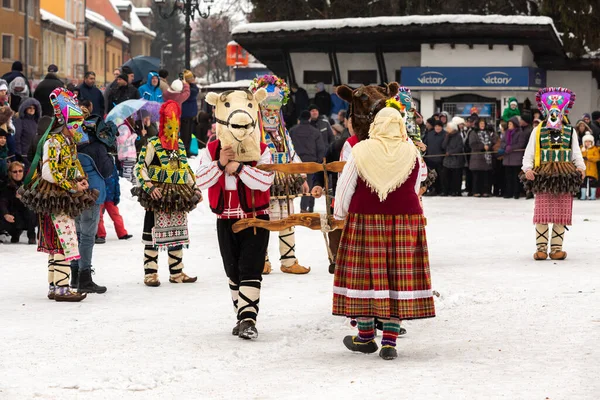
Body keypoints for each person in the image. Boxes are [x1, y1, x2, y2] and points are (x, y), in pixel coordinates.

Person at [333, 107, 435, 361]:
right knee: (397, 277)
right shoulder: (412, 151)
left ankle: (366, 336)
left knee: (364, 275)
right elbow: (416, 183)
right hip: (405, 220)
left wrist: (339, 214)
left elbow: (345, 186)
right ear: (399, 126)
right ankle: (389, 341)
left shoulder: (361, 151)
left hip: (365, 219)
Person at [196, 87, 275, 339]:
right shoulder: (211, 149)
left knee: (250, 267)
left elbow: (265, 180)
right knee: (232, 271)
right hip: (225, 218)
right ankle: (242, 316)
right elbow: (201, 179)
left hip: (255, 216)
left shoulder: (261, 148)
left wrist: (238, 168)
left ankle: (248, 319)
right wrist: (220, 163)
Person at [18, 88, 97, 302]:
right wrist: (71, 187)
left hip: (62, 194)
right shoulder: (53, 142)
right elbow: (48, 172)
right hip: (55, 196)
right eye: (76, 122)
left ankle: (55, 287)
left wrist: (80, 177)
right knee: (63, 240)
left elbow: (73, 163)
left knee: (58, 242)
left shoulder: (68, 142)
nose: (79, 127)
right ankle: (61, 288)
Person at [133, 100, 200, 286]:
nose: (173, 129)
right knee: (152, 233)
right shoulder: (152, 144)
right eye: (169, 124)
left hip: (177, 195)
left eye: (175, 124)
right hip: (158, 196)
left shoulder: (178, 145)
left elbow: (185, 169)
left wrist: (195, 187)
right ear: (162, 123)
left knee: (177, 232)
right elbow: (140, 168)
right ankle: (150, 273)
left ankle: (176, 272)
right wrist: (149, 186)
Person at [249, 75, 310, 275]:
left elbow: (291, 152)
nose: (272, 114)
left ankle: (289, 259)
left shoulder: (283, 132)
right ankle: (261, 259)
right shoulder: (254, 131)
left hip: (284, 180)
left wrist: (301, 175)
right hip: (264, 179)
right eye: (268, 110)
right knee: (264, 220)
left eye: (276, 110)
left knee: (288, 219)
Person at [522, 87, 585, 261]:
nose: (555, 113)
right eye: (552, 110)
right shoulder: (538, 130)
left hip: (564, 174)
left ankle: (557, 248)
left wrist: (580, 167)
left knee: (562, 211)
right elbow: (529, 151)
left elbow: (575, 152)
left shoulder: (570, 131)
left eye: (558, 110)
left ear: (563, 111)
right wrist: (527, 168)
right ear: (546, 111)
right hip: (544, 174)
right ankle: (541, 248)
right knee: (542, 211)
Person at [70, 109, 116, 294]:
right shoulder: (97, 147)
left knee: (78, 234)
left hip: (75, 194)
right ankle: (85, 277)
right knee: (88, 236)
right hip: (92, 195)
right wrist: (110, 154)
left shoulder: (72, 145)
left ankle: (74, 275)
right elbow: (107, 172)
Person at [289, 110, 326, 213]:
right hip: (311, 162)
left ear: (299, 119)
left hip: (297, 162)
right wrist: (319, 163)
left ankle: (300, 208)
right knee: (311, 184)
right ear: (309, 118)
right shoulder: (315, 131)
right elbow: (321, 148)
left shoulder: (292, 131)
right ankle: (309, 208)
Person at [0, 161, 36, 243]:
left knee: (29, 209)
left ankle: (32, 236)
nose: (18, 173)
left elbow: (34, 202)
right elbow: (3, 201)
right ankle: (15, 233)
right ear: (10, 173)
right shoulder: (5, 185)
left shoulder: (29, 184)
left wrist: (22, 198)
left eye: (20, 171)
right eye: (15, 171)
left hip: (29, 217)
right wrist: (5, 214)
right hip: (12, 216)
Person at [96, 163, 132, 243]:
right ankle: (121, 234)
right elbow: (116, 181)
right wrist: (117, 195)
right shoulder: (111, 165)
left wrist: (117, 195)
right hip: (107, 195)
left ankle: (101, 235)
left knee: (100, 216)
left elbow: (116, 181)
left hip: (102, 195)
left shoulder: (97, 165)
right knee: (113, 216)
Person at [500, 116, 527, 199]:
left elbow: (521, 144)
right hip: (507, 158)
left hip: (516, 158)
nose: (509, 125)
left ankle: (516, 192)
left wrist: (511, 147)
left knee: (516, 177)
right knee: (508, 177)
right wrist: (505, 147)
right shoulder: (506, 133)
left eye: (510, 124)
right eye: (508, 124)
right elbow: (502, 142)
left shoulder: (520, 133)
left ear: (515, 124)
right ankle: (509, 192)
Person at [469, 118, 496, 197]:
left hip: (487, 158)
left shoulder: (488, 133)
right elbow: (472, 144)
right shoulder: (473, 133)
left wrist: (489, 146)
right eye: (481, 123)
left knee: (486, 176)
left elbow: (492, 141)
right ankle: (476, 191)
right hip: (477, 158)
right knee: (477, 176)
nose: (482, 125)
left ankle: (486, 191)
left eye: (483, 123)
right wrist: (483, 146)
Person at [13, 98, 41, 169]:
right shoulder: (19, 121)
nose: (32, 109)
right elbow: (17, 138)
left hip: (35, 156)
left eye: (33, 108)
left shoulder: (36, 122)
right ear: (25, 108)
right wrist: (19, 155)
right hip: (24, 156)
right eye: (29, 108)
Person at [423, 120, 446, 196]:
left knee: (441, 177)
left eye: (439, 126)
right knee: (432, 176)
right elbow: (425, 144)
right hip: (430, 159)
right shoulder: (430, 134)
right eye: (436, 126)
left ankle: (441, 190)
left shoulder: (445, 135)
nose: (437, 128)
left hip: (441, 160)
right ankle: (432, 189)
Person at [441, 122, 464, 196]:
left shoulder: (458, 136)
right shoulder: (447, 135)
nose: (447, 129)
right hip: (447, 160)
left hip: (456, 159)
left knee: (455, 177)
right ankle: (446, 190)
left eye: (448, 128)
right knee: (446, 176)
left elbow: (460, 147)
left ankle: (455, 191)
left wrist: (451, 152)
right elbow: (443, 146)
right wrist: (447, 137)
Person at [180, 70, 198, 156]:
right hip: (185, 114)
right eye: (190, 78)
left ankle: (187, 150)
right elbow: (193, 92)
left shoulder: (190, 86)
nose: (193, 79)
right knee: (185, 134)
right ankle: (184, 151)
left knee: (189, 134)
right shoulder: (186, 88)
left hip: (190, 114)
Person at [116, 118, 138, 184]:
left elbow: (122, 140)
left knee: (130, 173)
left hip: (128, 155)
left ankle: (131, 189)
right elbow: (125, 140)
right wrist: (134, 136)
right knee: (130, 173)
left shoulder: (124, 127)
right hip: (129, 155)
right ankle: (131, 189)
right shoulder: (125, 127)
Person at [580, 134, 599, 200]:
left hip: (592, 170)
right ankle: (583, 195)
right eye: (586, 141)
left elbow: (597, 158)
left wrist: (588, 157)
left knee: (593, 183)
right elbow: (579, 157)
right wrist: (584, 153)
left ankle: (593, 195)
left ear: (592, 142)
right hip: (584, 170)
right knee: (583, 183)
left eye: (589, 141)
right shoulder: (581, 148)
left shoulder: (594, 149)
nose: (587, 143)